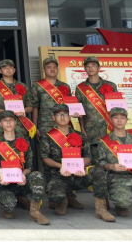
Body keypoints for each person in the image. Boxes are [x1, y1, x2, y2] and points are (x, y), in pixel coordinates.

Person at [40, 105, 114, 222]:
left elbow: (88, 156)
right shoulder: (48, 137)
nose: (62, 117)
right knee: (56, 195)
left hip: (79, 174)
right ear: (53, 117)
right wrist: (61, 166)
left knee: (98, 172)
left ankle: (101, 208)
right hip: (59, 175)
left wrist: (81, 166)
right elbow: (45, 158)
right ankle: (62, 201)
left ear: (70, 117)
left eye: (65, 114)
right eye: (59, 114)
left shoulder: (80, 135)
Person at [30, 57, 83, 209]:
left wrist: (75, 114)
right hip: (46, 127)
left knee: (68, 157)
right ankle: (53, 196)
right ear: (44, 70)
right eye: (49, 67)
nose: (52, 69)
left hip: (65, 127)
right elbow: (35, 107)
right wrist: (35, 126)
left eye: (54, 66)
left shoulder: (64, 86)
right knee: (47, 162)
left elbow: (70, 106)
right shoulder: (38, 86)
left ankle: (70, 195)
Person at [0, 111, 49, 225]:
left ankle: (35, 211)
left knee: (37, 176)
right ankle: (12, 204)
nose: (8, 123)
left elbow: (29, 165)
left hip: (22, 181)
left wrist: (23, 174)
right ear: (0, 123)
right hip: (4, 183)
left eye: (11, 120)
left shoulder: (24, 141)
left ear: (15, 122)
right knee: (9, 207)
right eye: (5, 120)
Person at [75, 56, 118, 162]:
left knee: (110, 160)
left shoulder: (111, 86)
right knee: (94, 161)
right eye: (88, 66)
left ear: (99, 67)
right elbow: (80, 110)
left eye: (93, 65)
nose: (91, 68)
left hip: (108, 129)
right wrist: (82, 129)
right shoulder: (80, 88)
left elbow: (117, 108)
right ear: (84, 68)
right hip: (90, 130)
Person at [0, 59, 36, 139]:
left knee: (22, 145)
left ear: (14, 70)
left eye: (10, 67)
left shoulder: (23, 86)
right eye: (5, 68)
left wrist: (23, 111)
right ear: (0, 71)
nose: (8, 69)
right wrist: (3, 111)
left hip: (21, 124)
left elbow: (30, 106)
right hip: (3, 125)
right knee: (4, 146)